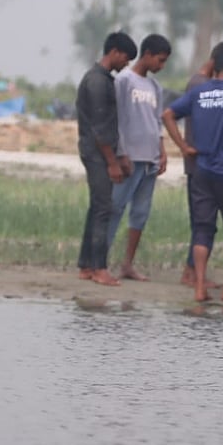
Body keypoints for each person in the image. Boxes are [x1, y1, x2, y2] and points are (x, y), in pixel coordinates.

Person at [162, 43, 223, 303]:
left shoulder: (199, 91)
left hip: (202, 169)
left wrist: (184, 147)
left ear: (214, 67)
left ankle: (199, 288)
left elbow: (168, 114)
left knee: (203, 229)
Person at [107, 33, 172, 281]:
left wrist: (162, 151)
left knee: (140, 213)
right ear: (147, 54)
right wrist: (120, 153)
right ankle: (99, 262)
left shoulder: (155, 87)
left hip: (150, 160)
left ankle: (128, 264)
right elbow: (117, 119)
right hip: (129, 157)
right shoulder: (123, 81)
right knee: (115, 208)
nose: (161, 66)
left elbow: (157, 122)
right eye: (160, 60)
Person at [75, 31, 137, 286]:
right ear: (114, 53)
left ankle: (86, 265)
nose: (126, 65)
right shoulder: (97, 82)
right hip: (96, 153)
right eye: (126, 59)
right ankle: (99, 268)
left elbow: (110, 127)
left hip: (101, 151)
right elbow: (101, 129)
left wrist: (120, 156)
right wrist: (112, 162)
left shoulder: (103, 79)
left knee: (97, 207)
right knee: (103, 208)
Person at [179, 42, 223, 289]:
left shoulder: (196, 84)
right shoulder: (202, 86)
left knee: (202, 221)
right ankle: (190, 272)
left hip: (199, 163)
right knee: (202, 223)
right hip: (203, 164)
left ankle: (192, 270)